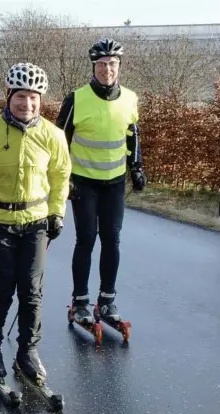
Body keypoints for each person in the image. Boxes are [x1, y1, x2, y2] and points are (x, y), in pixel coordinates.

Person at [0, 63, 70, 384]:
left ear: (40, 99)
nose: (27, 103)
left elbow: (61, 175)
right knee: (4, 286)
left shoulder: (53, 136)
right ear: (8, 96)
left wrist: (56, 212)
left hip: (36, 222)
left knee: (32, 290)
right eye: (20, 96)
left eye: (33, 97)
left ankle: (27, 352)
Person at [56, 38, 146, 325]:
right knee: (86, 239)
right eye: (102, 64)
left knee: (112, 240)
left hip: (115, 181)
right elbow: (59, 139)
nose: (108, 69)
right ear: (93, 66)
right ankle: (80, 301)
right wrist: (63, 177)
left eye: (113, 64)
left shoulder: (130, 98)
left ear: (119, 66)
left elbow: (132, 134)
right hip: (83, 181)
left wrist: (136, 166)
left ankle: (107, 301)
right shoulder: (76, 98)